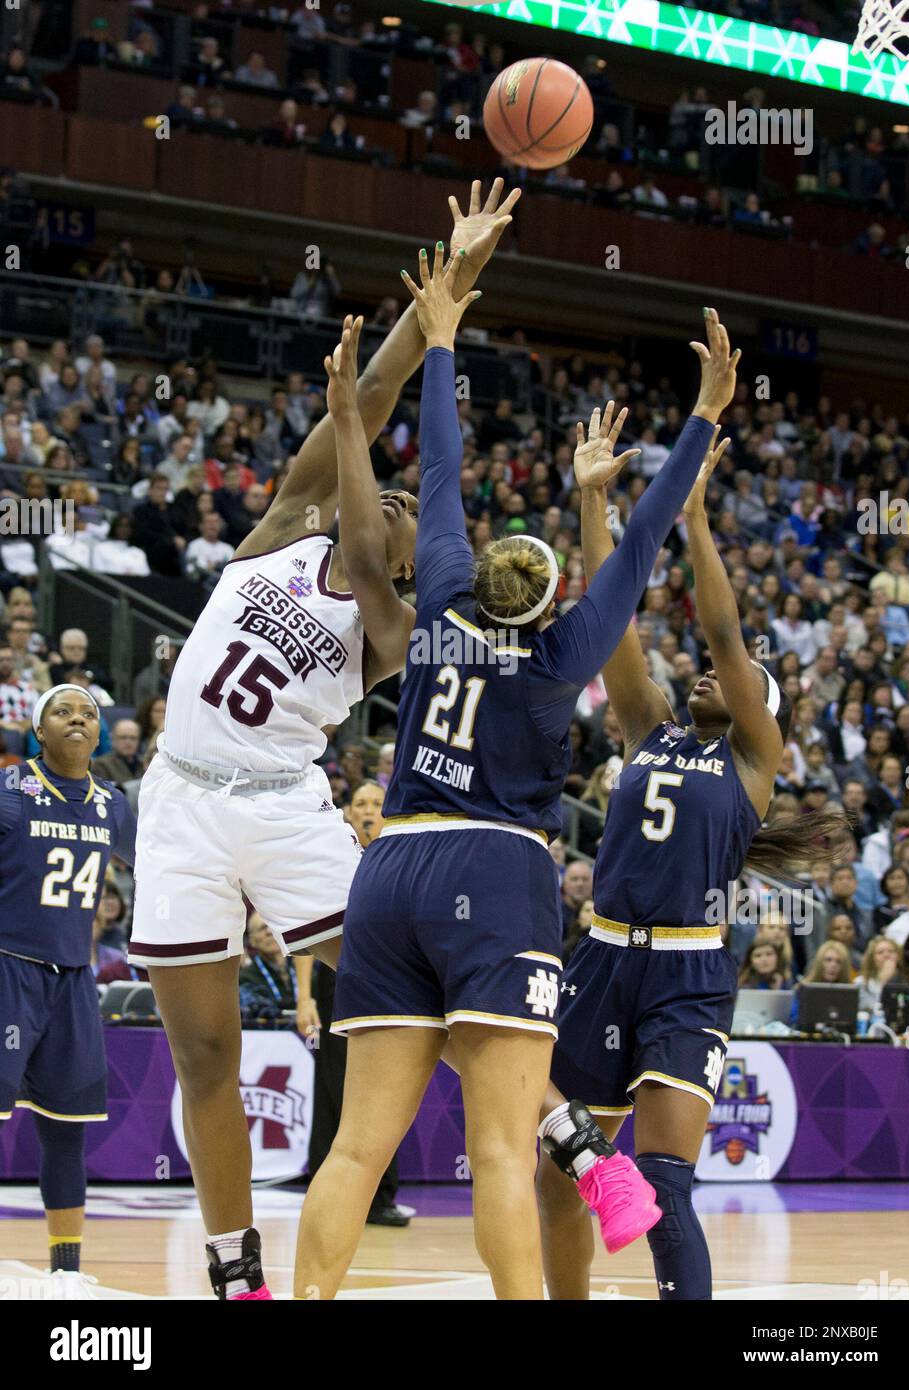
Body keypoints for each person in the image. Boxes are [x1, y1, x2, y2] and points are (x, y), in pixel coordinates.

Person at [292, 272, 731, 1302]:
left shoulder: (439, 596)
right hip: (494, 874)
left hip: (392, 865)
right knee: (498, 1149)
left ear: (480, 574)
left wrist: (442, 337)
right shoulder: (553, 668)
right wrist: (703, 417)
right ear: (546, 610)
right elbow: (640, 542)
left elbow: (440, 474)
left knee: (355, 1146)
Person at [126, 181, 522, 1301]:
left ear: (409, 555)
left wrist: (375, 462)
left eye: (406, 504)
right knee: (203, 1054)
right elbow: (382, 379)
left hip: (286, 809)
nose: (392, 494)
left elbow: (384, 479)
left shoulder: (393, 628)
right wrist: (456, 270)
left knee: (419, 987)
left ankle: (558, 1134)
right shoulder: (285, 528)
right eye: (380, 486)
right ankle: (233, 1269)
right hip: (180, 803)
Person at [536, 404, 847, 1302]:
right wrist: (593, 503)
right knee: (556, 1175)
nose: (715, 672)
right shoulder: (649, 727)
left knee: (666, 1191)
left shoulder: (753, 758)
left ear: (764, 709)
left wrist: (699, 520)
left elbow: (721, 635)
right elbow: (610, 616)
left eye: (743, 677)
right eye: (715, 673)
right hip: (599, 956)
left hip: (684, 974)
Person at [0, 686, 135, 1293]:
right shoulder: (8, 792)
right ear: (38, 728)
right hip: (8, 970)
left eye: (88, 714)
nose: (78, 719)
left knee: (67, 1125)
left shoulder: (112, 803)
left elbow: (154, 861)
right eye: (64, 712)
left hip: (74, 979)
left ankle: (67, 1273)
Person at [301, 779, 413, 1227]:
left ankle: (381, 1198)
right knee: (332, 1092)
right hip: (335, 980)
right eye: (360, 803)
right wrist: (304, 996)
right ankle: (327, 1193)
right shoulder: (333, 860)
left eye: (375, 804)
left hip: (392, 985)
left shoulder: (404, 857)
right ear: (347, 813)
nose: (367, 810)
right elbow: (307, 936)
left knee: (387, 1091)